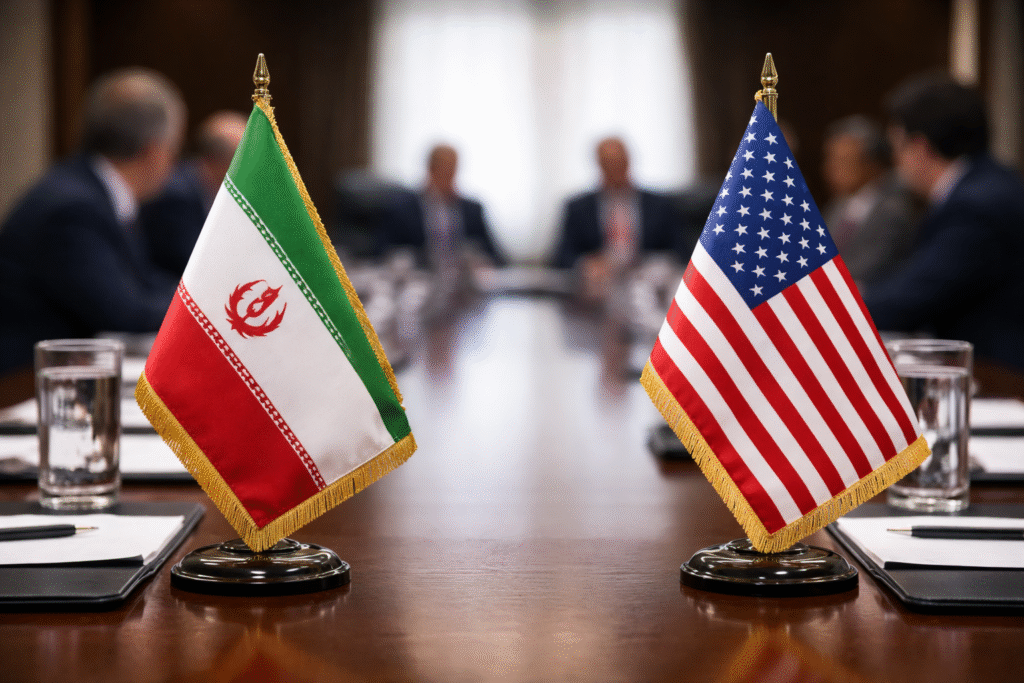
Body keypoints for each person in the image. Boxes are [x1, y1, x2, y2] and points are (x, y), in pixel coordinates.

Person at [0, 68, 185, 378]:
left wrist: (197, 295)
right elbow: (123, 311)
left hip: (58, 376)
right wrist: (202, 309)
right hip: (22, 388)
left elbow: (141, 282)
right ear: (155, 150)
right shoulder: (72, 208)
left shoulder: (90, 189)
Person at [862, 74, 1024, 371]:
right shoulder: (987, 185)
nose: (897, 164)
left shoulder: (978, 206)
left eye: (897, 149)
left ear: (920, 147)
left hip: (1003, 380)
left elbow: (912, 296)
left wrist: (832, 311)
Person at [552, 137, 681, 299]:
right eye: (608, 163)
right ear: (598, 165)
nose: (614, 169)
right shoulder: (578, 207)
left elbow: (680, 250)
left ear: (628, 162)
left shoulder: (660, 205)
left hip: (648, 290)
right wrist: (586, 264)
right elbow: (561, 256)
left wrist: (651, 264)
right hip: (596, 295)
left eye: (619, 163)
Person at [140, 110, 247, 276]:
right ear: (225, 161)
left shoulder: (209, 188)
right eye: (246, 160)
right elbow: (192, 262)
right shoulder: (176, 196)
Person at [821, 115, 920, 287]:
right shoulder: (837, 205)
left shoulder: (894, 209)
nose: (830, 169)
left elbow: (873, 265)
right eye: (830, 160)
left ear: (871, 162)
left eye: (843, 162)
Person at [377, 144, 506, 270]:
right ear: (430, 169)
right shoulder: (403, 208)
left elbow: (496, 256)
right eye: (443, 168)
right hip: (420, 280)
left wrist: (479, 260)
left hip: (463, 282)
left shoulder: (472, 209)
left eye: (452, 169)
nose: (448, 175)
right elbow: (384, 252)